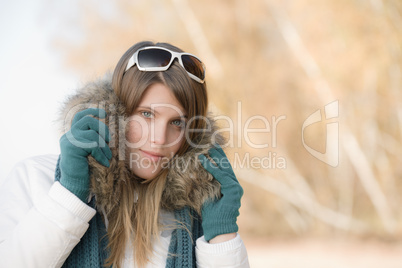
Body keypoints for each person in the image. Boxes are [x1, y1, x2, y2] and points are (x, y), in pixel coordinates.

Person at [0, 41, 249, 267]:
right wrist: (68, 197)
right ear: (115, 113)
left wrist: (222, 236)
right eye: (146, 114)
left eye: (177, 123)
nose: (159, 139)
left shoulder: (197, 214)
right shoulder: (35, 178)